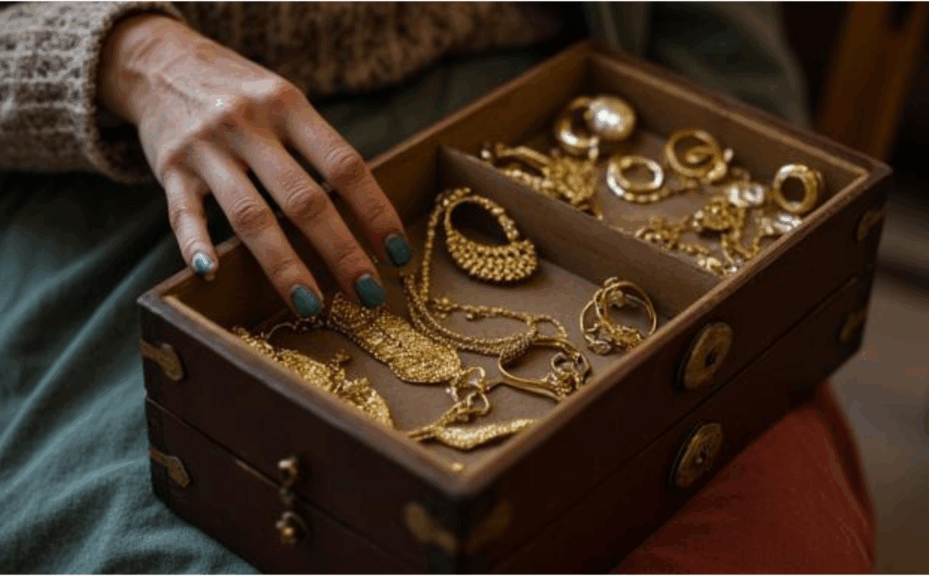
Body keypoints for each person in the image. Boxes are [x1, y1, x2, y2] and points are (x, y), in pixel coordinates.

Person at [0, 2, 868, 573]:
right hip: (155, 177)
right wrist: (133, 57)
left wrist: (748, 211)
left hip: (539, 116)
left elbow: (724, 49)